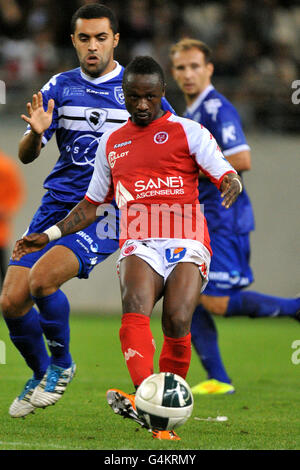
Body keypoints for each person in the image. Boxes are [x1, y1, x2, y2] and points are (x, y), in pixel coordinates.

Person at [12, 55, 242, 440]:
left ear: (162, 94)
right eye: (134, 96)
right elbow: (90, 205)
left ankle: (163, 408)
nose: (141, 104)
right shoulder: (111, 144)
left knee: (177, 320)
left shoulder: (190, 131)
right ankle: (145, 401)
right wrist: (49, 235)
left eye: (149, 97)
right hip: (139, 240)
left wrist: (230, 183)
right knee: (135, 306)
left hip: (186, 238)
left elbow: (224, 170)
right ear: (123, 94)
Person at [0, 3, 173, 420]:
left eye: (100, 38)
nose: (92, 47)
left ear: (115, 39)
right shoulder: (59, 86)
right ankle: (43, 372)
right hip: (57, 204)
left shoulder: (136, 88)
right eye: (84, 38)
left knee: (42, 282)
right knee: (10, 302)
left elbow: (172, 139)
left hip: (108, 211)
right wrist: (36, 134)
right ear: (73, 41)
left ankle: (62, 364)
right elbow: (26, 155)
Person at [170, 38, 300, 394]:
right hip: (206, 218)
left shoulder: (217, 108)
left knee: (215, 301)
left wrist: (180, 171)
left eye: (195, 66)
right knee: (186, 294)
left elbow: (242, 160)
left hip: (225, 217)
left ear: (209, 68)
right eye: (181, 68)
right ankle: (218, 379)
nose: (188, 74)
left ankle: (295, 307)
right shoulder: (192, 112)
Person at [0, 149, 25, 289]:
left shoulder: (6, 167)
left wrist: (5, 210)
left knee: (3, 271)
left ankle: (8, 298)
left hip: (1, 232)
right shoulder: (7, 166)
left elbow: (14, 196)